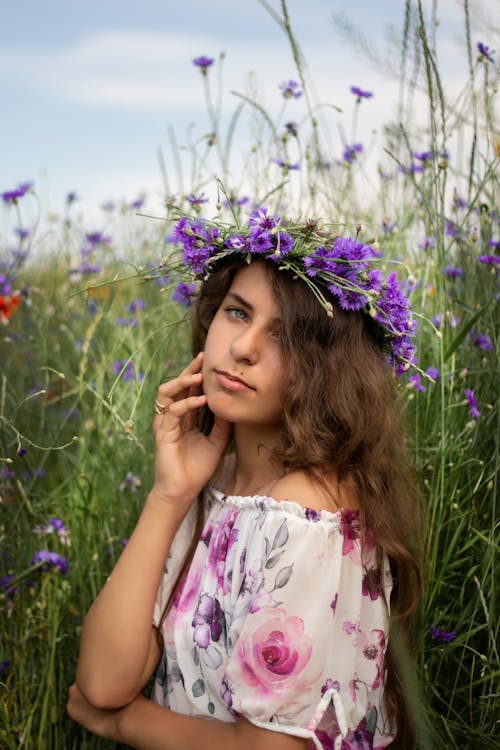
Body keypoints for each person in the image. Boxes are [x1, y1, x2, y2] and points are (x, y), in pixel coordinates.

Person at [68, 209, 423, 749]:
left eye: (282, 337)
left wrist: (123, 725)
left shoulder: (311, 522)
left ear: (324, 373)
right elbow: (102, 680)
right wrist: (170, 494)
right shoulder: (216, 482)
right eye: (237, 313)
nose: (243, 348)